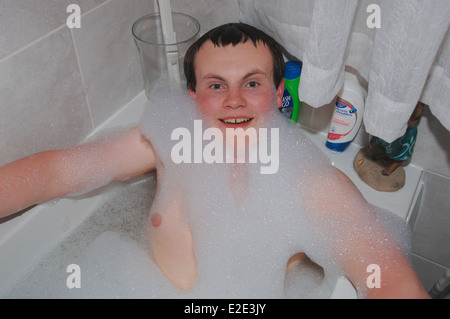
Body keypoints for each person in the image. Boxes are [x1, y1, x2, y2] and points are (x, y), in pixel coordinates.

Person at [0, 23, 428, 298]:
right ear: (194, 97)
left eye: (252, 83)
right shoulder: (165, 141)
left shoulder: (312, 184)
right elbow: (58, 171)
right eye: (216, 85)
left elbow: (388, 280)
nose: (234, 100)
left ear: (280, 95)